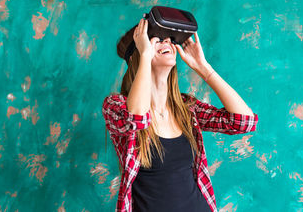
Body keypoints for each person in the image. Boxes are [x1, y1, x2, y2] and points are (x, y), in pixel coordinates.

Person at [102, 18, 259, 212]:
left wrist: (203, 67)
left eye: (168, 39)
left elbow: (244, 122)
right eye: (156, 39)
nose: (167, 42)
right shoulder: (116, 106)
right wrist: (144, 56)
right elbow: (138, 119)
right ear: (139, 52)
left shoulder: (186, 107)